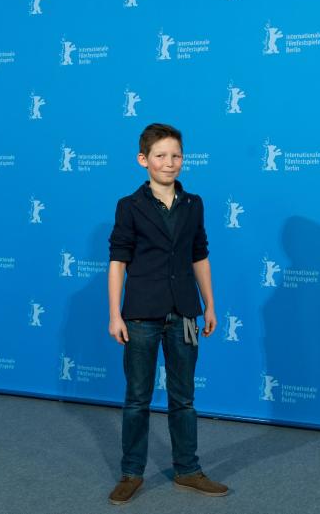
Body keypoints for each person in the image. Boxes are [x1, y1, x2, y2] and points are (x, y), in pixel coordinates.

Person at [106, 123, 229, 505]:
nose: (169, 162)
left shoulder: (194, 204)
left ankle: (188, 470)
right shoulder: (130, 206)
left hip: (185, 315)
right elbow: (118, 262)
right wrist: (115, 314)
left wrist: (208, 303)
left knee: (184, 399)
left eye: (176, 155)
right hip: (141, 315)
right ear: (143, 160)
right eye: (160, 156)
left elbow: (200, 255)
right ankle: (131, 473)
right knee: (137, 399)